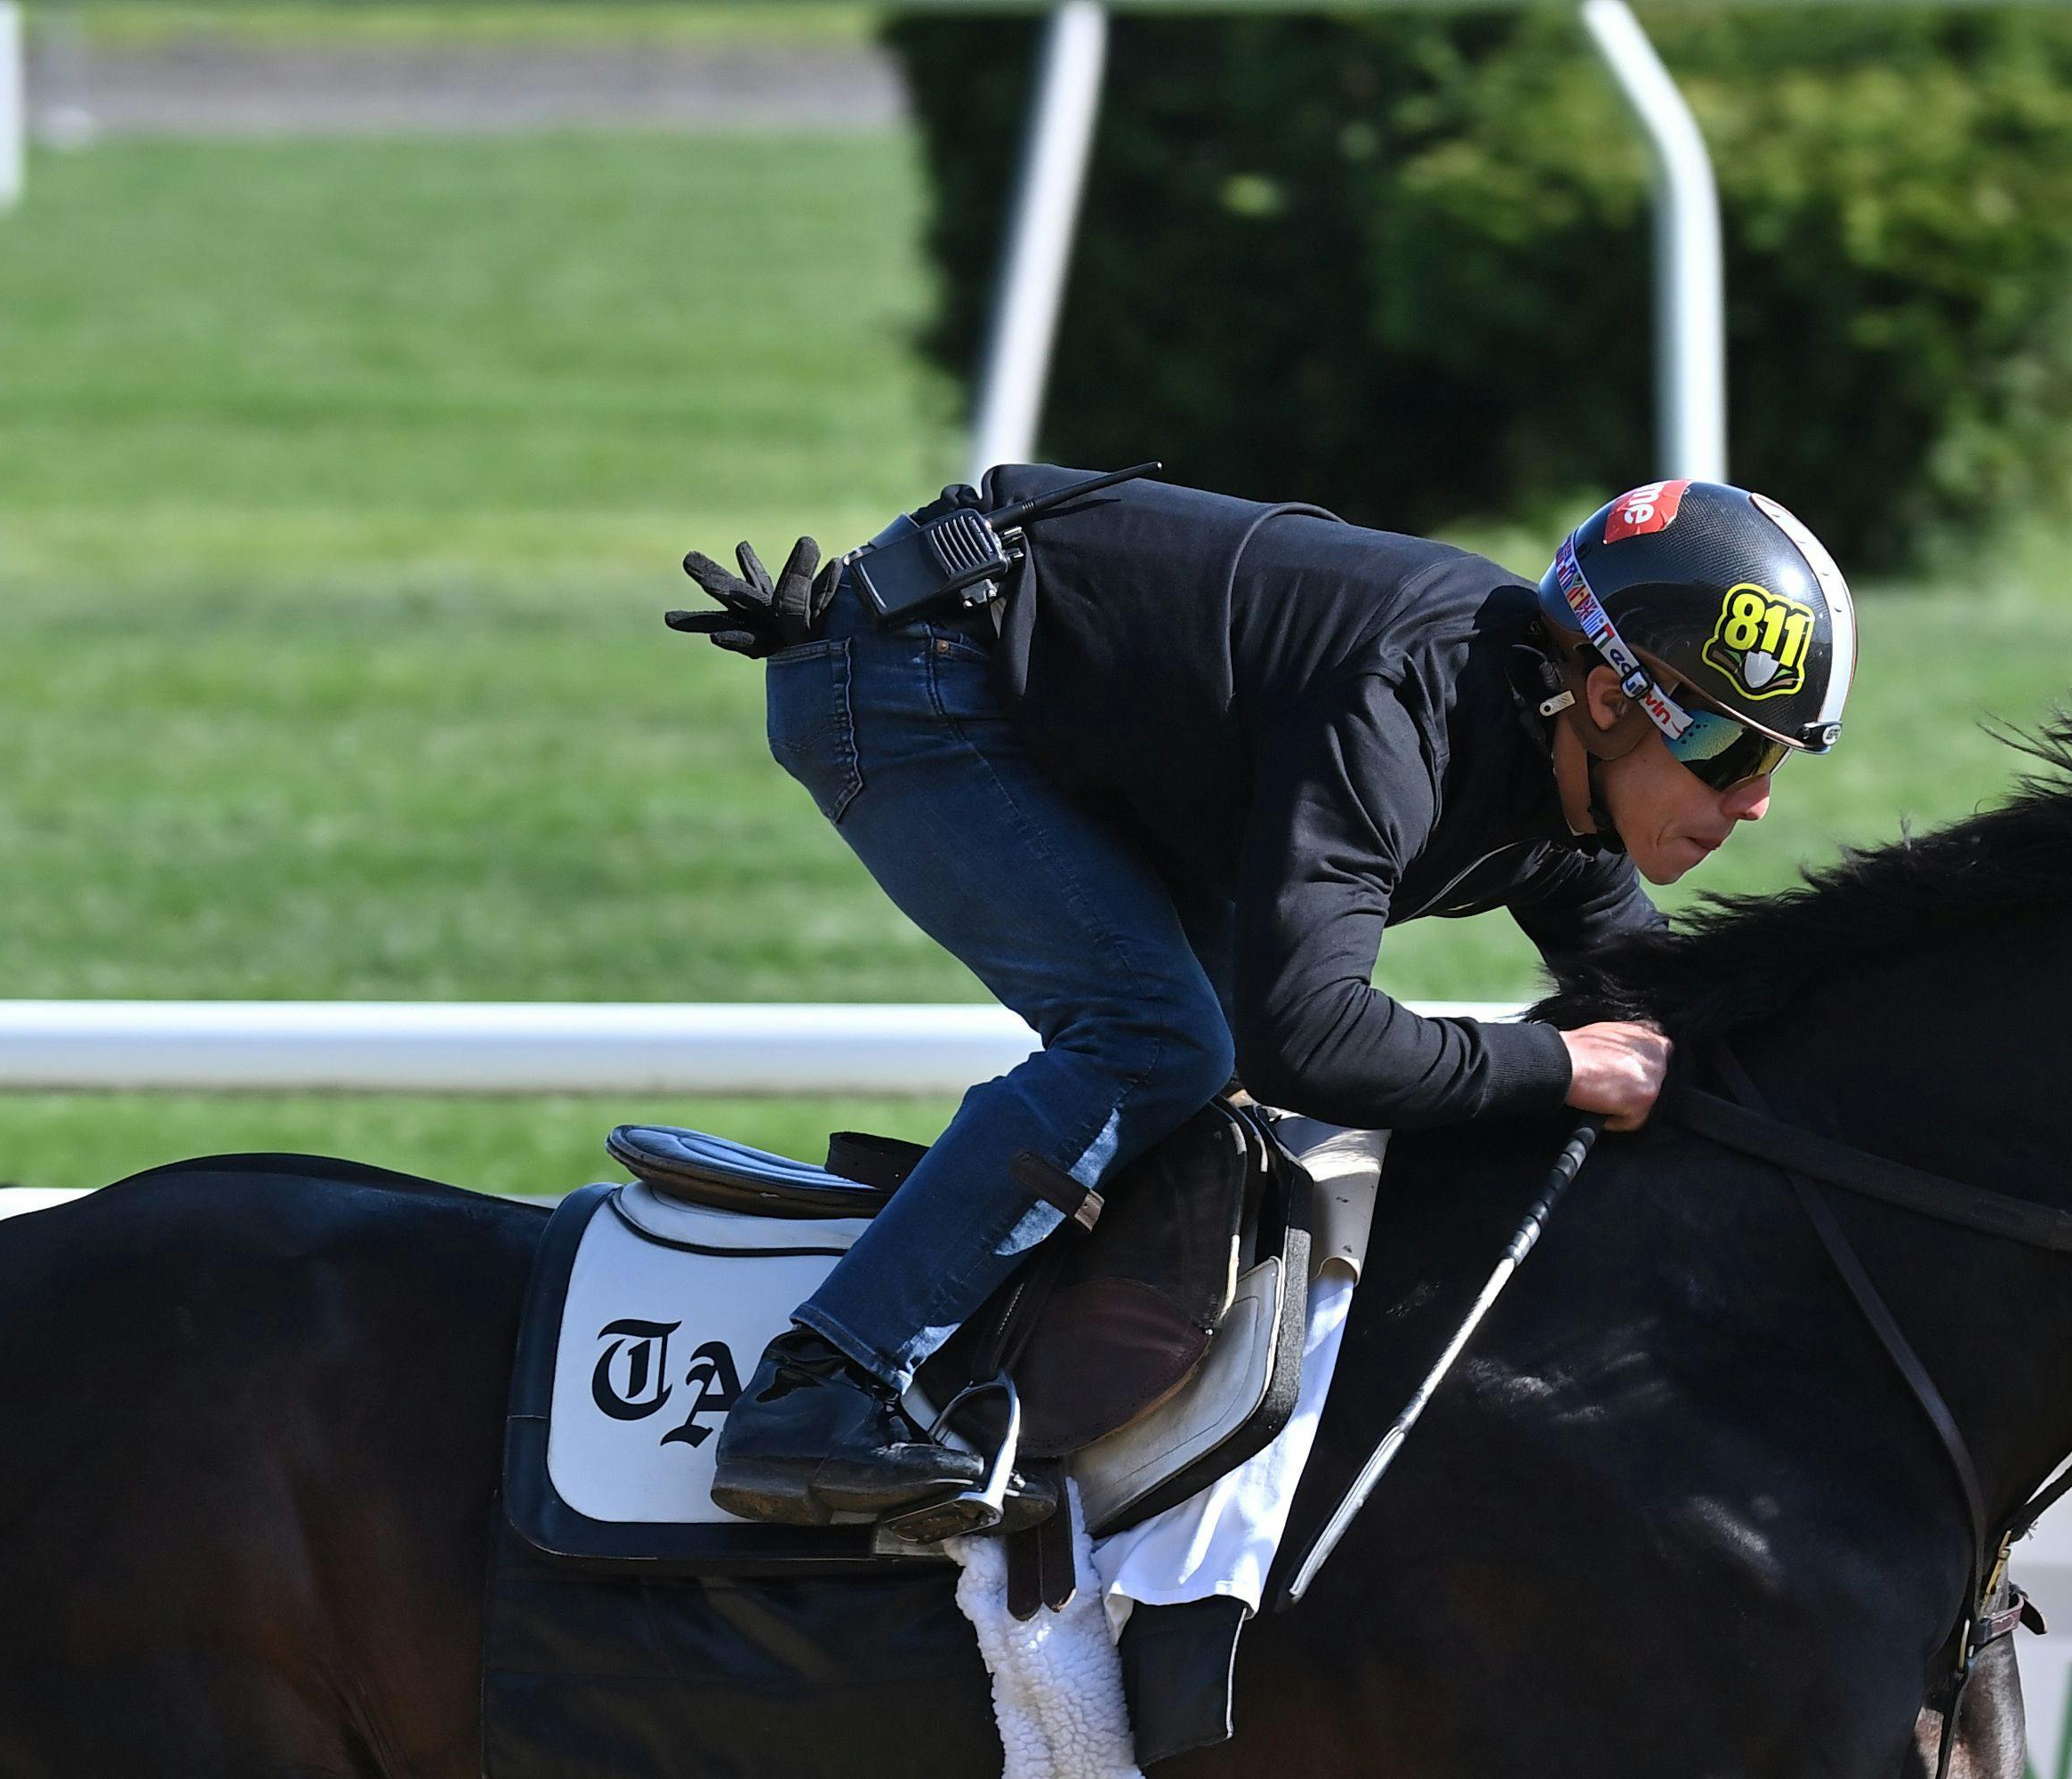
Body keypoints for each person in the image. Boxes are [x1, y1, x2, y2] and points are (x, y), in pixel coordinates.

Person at [663, 469, 1854, 1530]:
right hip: (910, 672)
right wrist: (1560, 1068)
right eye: (1730, 753)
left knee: (1198, 1058)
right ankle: (821, 1389)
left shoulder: (1564, 784)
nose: (1753, 802)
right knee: (1160, 1042)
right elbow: (1313, 1041)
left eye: (1775, 764)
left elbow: (1658, 1019)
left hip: (1044, 697)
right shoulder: (1404, 710)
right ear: (1607, 697)